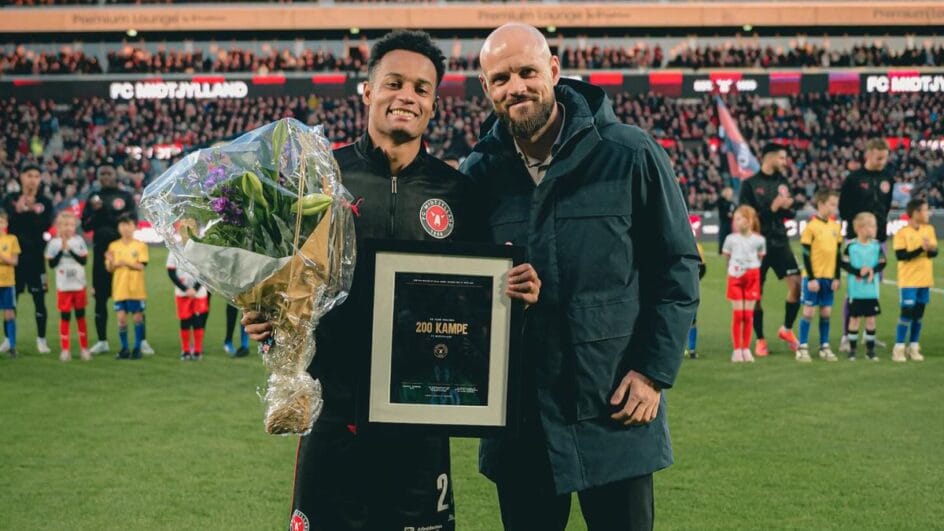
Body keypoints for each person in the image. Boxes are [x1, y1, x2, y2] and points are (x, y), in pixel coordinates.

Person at [242, 30, 539, 531]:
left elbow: (478, 306)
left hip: (420, 422)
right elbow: (280, 284)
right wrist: (263, 311)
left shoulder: (457, 193)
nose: (407, 96)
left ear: (434, 106)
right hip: (331, 417)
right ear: (368, 90)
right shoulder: (319, 178)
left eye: (422, 89)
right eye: (394, 83)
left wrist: (517, 294)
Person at [460, 24, 699, 530]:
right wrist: (494, 292)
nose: (515, 87)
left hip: (614, 410)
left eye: (527, 71)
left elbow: (678, 266)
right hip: (520, 421)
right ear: (486, 89)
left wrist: (653, 372)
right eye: (500, 78)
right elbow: (457, 287)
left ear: (553, 70)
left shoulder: (631, 153)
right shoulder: (478, 174)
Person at [738, 143, 801, 356]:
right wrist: (772, 208)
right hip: (756, 245)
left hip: (780, 242)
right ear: (769, 157)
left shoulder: (782, 182)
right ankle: (761, 339)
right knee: (756, 295)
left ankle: (786, 329)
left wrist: (788, 207)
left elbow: (791, 213)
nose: (784, 162)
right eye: (782, 158)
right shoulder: (750, 184)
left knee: (797, 285)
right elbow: (746, 217)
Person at [81, 163, 147, 355]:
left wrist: (104, 213)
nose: (105, 176)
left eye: (109, 172)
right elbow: (86, 226)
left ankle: (141, 341)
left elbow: (130, 221)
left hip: (124, 255)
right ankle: (102, 341)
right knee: (100, 299)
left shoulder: (125, 196)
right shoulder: (92, 198)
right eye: (102, 173)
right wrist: (95, 212)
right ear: (98, 176)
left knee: (133, 298)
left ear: (115, 175)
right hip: (102, 255)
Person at [838, 138, 893, 353]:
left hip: (878, 240)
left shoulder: (888, 178)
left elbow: (886, 207)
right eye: (879, 158)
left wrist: (876, 232)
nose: (882, 162)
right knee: (854, 287)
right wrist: (860, 229)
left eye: (885, 158)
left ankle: (868, 334)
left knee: (872, 285)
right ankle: (846, 335)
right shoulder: (854, 178)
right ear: (868, 155)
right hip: (855, 240)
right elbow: (844, 209)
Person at [2, 163, 53, 354]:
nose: (33, 179)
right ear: (21, 178)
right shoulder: (10, 199)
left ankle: (41, 339)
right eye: (29, 175)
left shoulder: (45, 202)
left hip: (36, 259)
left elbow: (44, 225)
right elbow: (9, 224)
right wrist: (20, 210)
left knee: (39, 300)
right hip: (14, 260)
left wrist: (29, 211)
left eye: (36, 176)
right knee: (10, 301)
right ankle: (8, 339)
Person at [796, 190, 842, 362]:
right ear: (821, 204)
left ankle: (824, 346)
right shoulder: (811, 226)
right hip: (812, 277)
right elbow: (806, 255)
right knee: (808, 312)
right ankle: (803, 347)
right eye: (832, 204)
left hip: (829, 277)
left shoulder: (835, 227)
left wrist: (837, 277)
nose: (835, 208)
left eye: (836, 204)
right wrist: (812, 278)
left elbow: (837, 254)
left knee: (826, 312)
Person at [891, 198, 936, 362]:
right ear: (916, 213)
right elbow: (900, 255)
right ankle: (899, 347)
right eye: (925, 210)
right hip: (908, 280)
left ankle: (914, 346)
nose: (928, 213)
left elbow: (933, 253)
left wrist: (930, 249)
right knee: (907, 312)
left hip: (924, 279)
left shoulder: (929, 229)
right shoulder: (902, 233)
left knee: (918, 314)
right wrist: (921, 249)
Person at [44, 211, 90, 361]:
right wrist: (60, 250)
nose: (68, 228)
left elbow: (83, 261)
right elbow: (51, 264)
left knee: (80, 316)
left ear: (74, 226)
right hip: (63, 286)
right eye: (65, 225)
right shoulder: (54, 243)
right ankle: (65, 349)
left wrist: (69, 249)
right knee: (65, 317)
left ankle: (84, 348)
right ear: (59, 226)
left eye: (71, 225)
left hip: (78, 285)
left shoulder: (79, 241)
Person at [840, 212, 886, 361]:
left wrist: (873, 270)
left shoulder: (876, 246)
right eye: (871, 226)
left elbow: (882, 262)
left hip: (871, 291)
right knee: (854, 320)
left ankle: (870, 351)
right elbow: (844, 263)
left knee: (871, 320)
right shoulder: (851, 246)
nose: (874, 229)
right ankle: (852, 350)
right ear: (860, 228)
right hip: (856, 291)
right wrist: (858, 272)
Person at [722, 206, 765, 363]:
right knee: (738, 314)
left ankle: (746, 348)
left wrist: (751, 268)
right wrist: (733, 269)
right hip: (735, 276)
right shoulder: (730, 239)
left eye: (739, 218)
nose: (736, 222)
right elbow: (727, 257)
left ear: (749, 220)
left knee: (748, 315)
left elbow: (760, 257)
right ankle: (736, 350)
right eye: (735, 219)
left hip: (752, 276)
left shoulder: (759, 240)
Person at [105, 214, 148, 360]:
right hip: (119, 288)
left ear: (134, 226)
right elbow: (110, 269)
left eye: (128, 224)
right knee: (121, 319)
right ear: (118, 228)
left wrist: (125, 263)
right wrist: (112, 262)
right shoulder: (113, 246)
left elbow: (141, 266)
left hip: (136, 289)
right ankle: (124, 348)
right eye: (123, 225)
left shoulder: (140, 245)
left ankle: (137, 348)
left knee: (137, 318)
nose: (126, 228)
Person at [167, 221, 209, 361]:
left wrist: (195, 288)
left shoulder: (200, 249)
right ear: (179, 232)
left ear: (195, 231)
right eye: (184, 230)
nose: (186, 233)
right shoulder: (175, 250)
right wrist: (185, 289)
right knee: (185, 321)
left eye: (190, 229)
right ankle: (185, 351)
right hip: (182, 292)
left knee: (197, 320)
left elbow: (204, 272)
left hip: (198, 291)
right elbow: (171, 272)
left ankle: (197, 350)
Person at [0, 210, 20, 358]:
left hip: (7, 283)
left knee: (9, 314)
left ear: (6, 223)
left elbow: (14, 261)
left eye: (1, 222)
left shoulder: (11, 239)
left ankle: (13, 347)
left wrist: (1, 257)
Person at [685, 243, 707, 359]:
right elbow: (703, 268)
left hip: (685, 287)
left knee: (688, 319)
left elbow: (702, 268)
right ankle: (690, 349)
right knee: (690, 319)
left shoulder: (696, 246)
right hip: (689, 288)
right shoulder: (696, 245)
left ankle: (690, 349)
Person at [716, 185, 736, 254]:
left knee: (731, 237)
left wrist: (733, 214)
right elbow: (721, 210)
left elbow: (735, 210)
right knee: (723, 236)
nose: (731, 194)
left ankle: (730, 250)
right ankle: (721, 251)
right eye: (730, 192)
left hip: (730, 222)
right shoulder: (721, 200)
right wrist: (727, 214)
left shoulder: (732, 203)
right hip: (724, 221)